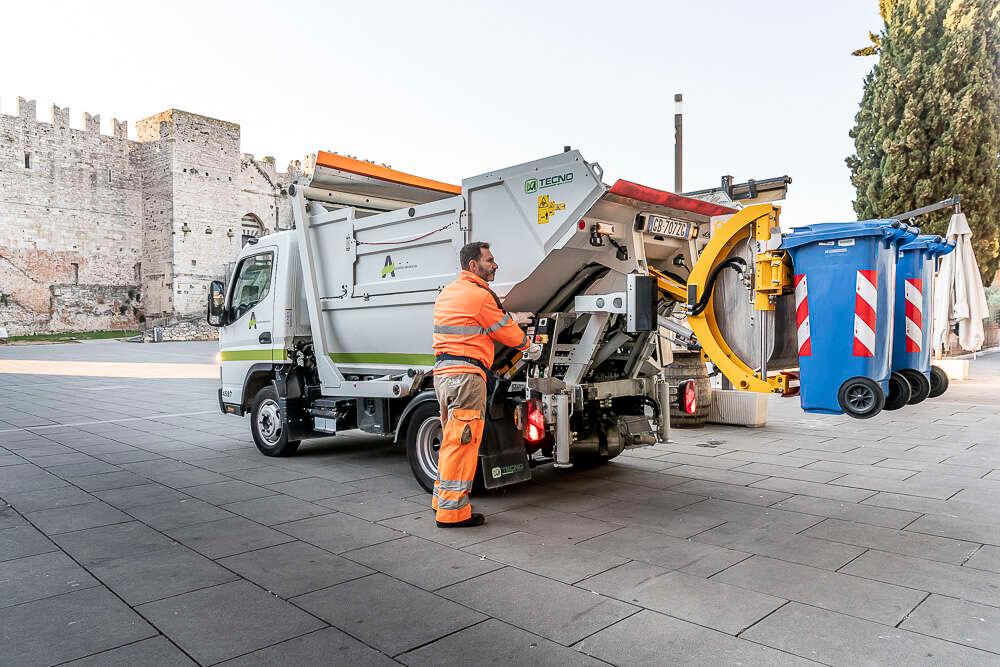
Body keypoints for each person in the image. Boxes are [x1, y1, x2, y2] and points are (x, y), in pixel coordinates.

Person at [430, 241, 540, 527]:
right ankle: (452, 513)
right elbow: (504, 331)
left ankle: (441, 500)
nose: (495, 264)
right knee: (464, 442)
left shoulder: (450, 292)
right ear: (473, 265)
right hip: (466, 378)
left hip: (445, 375)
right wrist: (529, 346)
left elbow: (480, 321)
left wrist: (513, 318)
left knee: (452, 441)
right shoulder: (479, 295)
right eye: (489, 260)